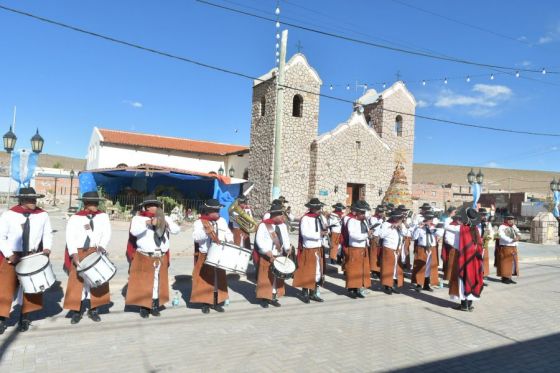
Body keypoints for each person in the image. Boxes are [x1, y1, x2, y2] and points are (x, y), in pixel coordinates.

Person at [0, 188, 53, 333]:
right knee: (5, 288)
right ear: (22, 200)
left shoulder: (42, 215)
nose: (34, 202)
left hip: (32, 255)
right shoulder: (8, 215)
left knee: (31, 288)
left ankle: (25, 317)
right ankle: (2, 319)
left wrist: (47, 249)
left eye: (35, 199)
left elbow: (47, 233)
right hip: (12, 255)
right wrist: (10, 255)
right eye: (31, 199)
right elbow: (1, 237)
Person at [125, 195, 180, 318]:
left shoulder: (166, 218)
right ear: (145, 207)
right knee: (144, 282)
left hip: (160, 254)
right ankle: (144, 306)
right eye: (150, 205)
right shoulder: (138, 218)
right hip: (145, 255)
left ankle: (155, 304)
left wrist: (166, 223)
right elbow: (134, 232)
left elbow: (177, 230)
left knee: (158, 281)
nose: (153, 207)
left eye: (155, 205)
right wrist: (149, 222)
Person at [63, 191, 112, 324]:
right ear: (85, 203)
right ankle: (76, 311)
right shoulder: (75, 218)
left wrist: (102, 246)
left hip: (95, 251)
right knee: (77, 282)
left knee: (96, 281)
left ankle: (94, 309)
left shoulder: (103, 217)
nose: (95, 205)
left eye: (96, 202)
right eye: (92, 203)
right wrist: (73, 253)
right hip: (79, 252)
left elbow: (107, 233)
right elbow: (70, 237)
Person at [191, 199, 234, 313]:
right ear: (208, 211)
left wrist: (230, 241)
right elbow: (196, 238)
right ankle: (205, 303)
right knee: (205, 280)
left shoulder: (222, 221)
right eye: (215, 210)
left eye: (218, 210)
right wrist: (207, 231)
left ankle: (216, 301)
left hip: (219, 253)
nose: (218, 213)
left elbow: (228, 233)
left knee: (218, 278)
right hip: (205, 254)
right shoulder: (199, 222)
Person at [254, 203, 291, 308]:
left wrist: (287, 248)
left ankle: (273, 296)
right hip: (267, 255)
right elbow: (259, 240)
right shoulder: (263, 225)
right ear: (275, 215)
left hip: (278, 255)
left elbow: (286, 238)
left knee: (276, 278)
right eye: (281, 215)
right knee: (265, 277)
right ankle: (264, 298)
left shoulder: (282, 226)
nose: (283, 217)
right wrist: (265, 251)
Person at [448, 207, 484, 311]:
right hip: (475, 259)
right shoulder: (477, 229)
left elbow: (446, 228)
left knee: (463, 279)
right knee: (473, 279)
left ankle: (464, 305)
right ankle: (470, 304)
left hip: (463, 258)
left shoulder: (460, 229)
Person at [293, 198, 326, 303]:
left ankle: (313, 293)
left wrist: (325, 230)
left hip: (318, 247)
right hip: (308, 248)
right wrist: (319, 235)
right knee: (307, 272)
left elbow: (325, 228)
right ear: (311, 208)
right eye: (317, 208)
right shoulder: (305, 218)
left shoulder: (321, 218)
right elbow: (305, 234)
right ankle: (305, 292)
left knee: (317, 271)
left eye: (319, 208)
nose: (319, 210)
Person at [341, 201, 372, 298]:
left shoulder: (364, 222)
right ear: (356, 212)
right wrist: (367, 235)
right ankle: (351, 290)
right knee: (353, 270)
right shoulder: (351, 221)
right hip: (354, 248)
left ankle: (358, 288)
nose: (364, 214)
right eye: (362, 213)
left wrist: (369, 235)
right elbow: (354, 235)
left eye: (364, 213)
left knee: (361, 270)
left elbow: (366, 233)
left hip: (363, 248)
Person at [412, 214, 443, 292]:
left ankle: (426, 284)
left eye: (430, 221)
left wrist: (434, 228)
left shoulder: (434, 228)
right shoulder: (420, 229)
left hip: (432, 248)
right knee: (421, 266)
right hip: (422, 248)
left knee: (429, 267)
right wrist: (418, 228)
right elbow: (414, 237)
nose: (429, 223)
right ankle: (419, 284)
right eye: (427, 221)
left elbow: (440, 234)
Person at [377, 211, 405, 295]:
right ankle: (387, 286)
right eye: (399, 218)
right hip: (389, 248)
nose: (400, 220)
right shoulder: (386, 224)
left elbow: (407, 234)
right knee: (388, 268)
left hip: (397, 249)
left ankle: (392, 285)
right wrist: (391, 228)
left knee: (395, 268)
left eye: (401, 218)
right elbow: (381, 235)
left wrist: (401, 228)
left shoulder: (401, 225)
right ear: (394, 218)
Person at [497, 215, 520, 284]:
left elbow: (518, 232)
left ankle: (509, 277)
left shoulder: (514, 226)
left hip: (513, 246)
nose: (511, 221)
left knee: (512, 263)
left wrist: (519, 236)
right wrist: (511, 240)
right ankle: (504, 278)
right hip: (506, 246)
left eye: (512, 219)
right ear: (506, 220)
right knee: (506, 263)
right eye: (510, 219)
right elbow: (501, 235)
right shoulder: (502, 227)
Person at [368, 205, 385, 278]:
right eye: (380, 212)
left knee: (379, 254)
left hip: (380, 237)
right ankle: (373, 269)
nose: (381, 213)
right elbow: (373, 226)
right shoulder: (373, 218)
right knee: (373, 253)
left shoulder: (382, 219)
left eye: (382, 212)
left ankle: (378, 269)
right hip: (374, 237)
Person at [478, 208, 495, 286]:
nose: (484, 216)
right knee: (478, 261)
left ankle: (483, 276)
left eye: (485, 215)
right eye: (482, 215)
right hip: (477, 245)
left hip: (485, 243)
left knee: (484, 261)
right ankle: (477, 277)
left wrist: (488, 238)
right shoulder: (475, 223)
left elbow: (491, 232)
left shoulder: (488, 223)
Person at [441, 206, 457, 277]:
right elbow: (446, 227)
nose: (455, 213)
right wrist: (456, 228)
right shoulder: (447, 219)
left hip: (454, 238)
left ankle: (452, 271)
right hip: (448, 238)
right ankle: (448, 273)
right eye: (454, 212)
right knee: (448, 255)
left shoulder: (456, 219)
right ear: (451, 212)